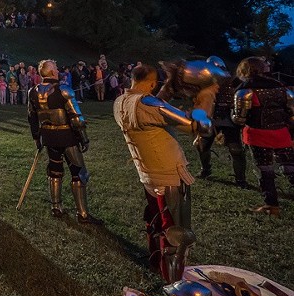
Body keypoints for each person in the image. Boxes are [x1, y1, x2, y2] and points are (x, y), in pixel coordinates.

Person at [114, 64, 213, 282]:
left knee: (158, 222)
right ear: (151, 83)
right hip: (168, 174)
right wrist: (206, 96)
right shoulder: (149, 104)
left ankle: (156, 263)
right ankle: (173, 285)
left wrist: (167, 88)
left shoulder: (120, 102)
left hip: (148, 174)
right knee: (177, 234)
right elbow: (199, 125)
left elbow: (152, 108)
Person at [27, 59, 100, 224]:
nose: (58, 70)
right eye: (55, 68)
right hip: (67, 136)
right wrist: (84, 138)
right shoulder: (64, 90)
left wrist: (36, 137)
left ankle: (56, 207)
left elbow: (31, 117)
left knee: (55, 171)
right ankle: (82, 213)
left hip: (48, 137)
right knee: (79, 173)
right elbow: (77, 118)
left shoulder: (32, 91)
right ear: (52, 72)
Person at [232, 56, 294, 216]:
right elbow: (292, 113)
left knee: (265, 170)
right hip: (281, 133)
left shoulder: (245, 91)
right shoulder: (282, 88)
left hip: (257, 134)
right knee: (290, 167)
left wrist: (232, 115)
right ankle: (271, 205)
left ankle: (271, 205)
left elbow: (240, 119)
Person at [193, 56, 248, 188]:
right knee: (202, 145)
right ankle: (205, 170)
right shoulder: (204, 81)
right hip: (210, 118)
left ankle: (240, 179)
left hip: (229, 118)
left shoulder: (235, 80)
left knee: (235, 149)